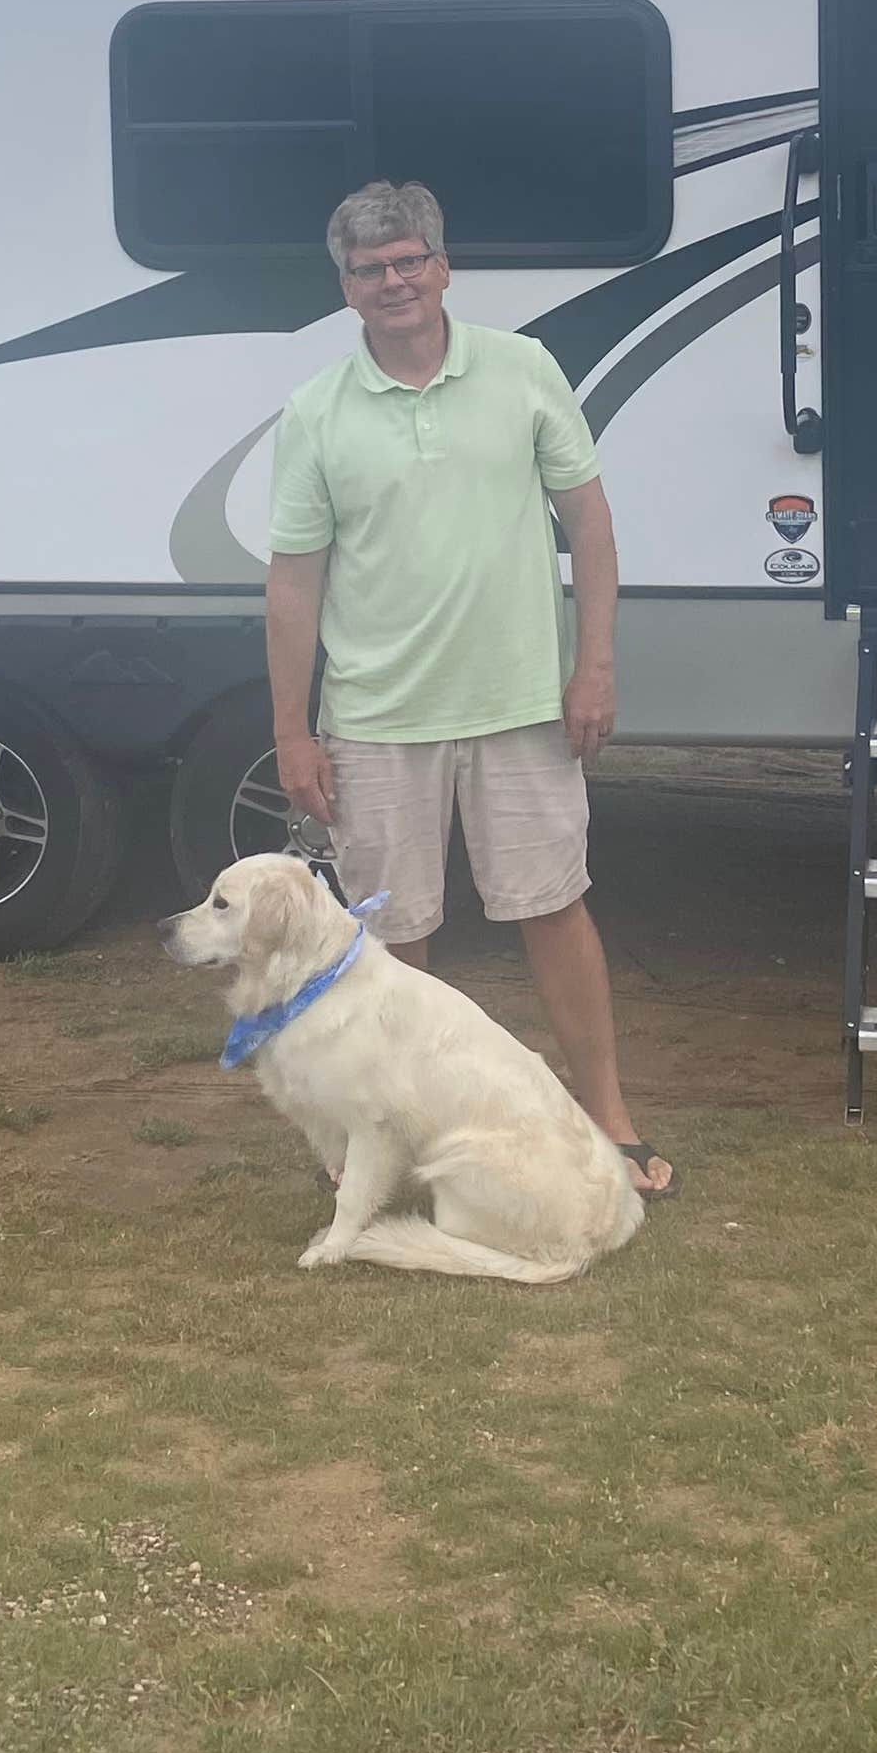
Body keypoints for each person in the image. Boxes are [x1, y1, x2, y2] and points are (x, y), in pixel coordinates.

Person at [263, 179, 670, 1200]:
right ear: (345, 288)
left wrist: (596, 664)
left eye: (410, 261)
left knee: (555, 910)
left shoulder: (524, 370)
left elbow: (591, 525)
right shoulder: (316, 413)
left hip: (522, 704)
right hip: (374, 718)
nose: (393, 282)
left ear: (443, 268)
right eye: (370, 269)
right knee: (392, 949)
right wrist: (293, 731)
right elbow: (294, 583)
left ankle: (606, 1117)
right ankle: (396, 1139)